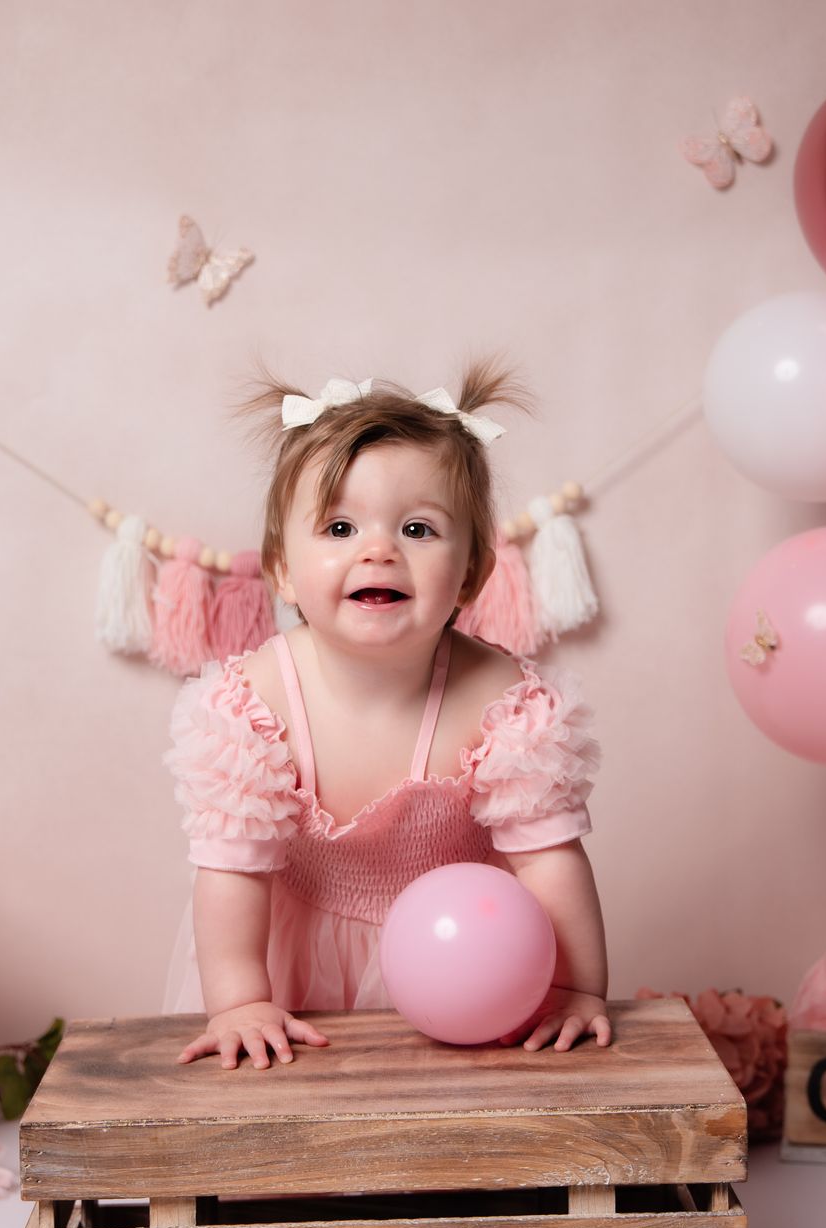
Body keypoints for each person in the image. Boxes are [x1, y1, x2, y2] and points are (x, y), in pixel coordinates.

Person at [162, 361, 607, 1069]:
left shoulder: (503, 703)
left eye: (418, 529)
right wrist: (240, 1001)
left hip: (467, 960)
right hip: (291, 971)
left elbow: (549, 861)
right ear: (281, 570)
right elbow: (231, 875)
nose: (378, 550)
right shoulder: (252, 706)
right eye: (339, 526)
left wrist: (573, 988)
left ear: (472, 573)